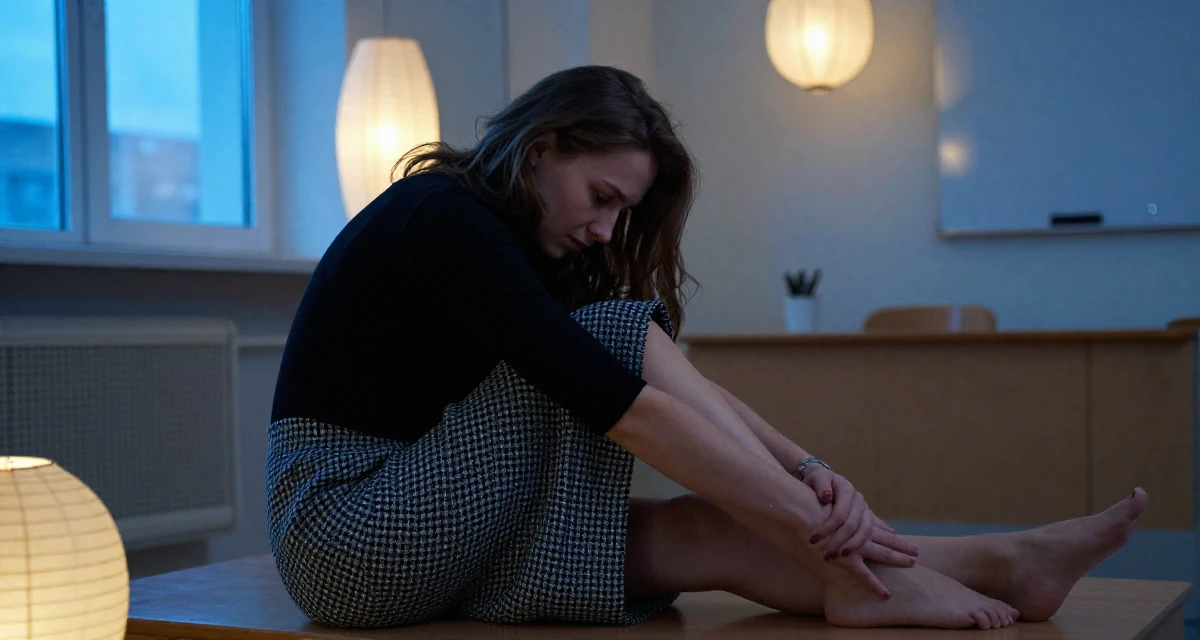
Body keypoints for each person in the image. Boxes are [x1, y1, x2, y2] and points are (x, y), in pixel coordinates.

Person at [265, 65, 1147, 631]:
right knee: (609, 333)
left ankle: (1007, 564)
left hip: (418, 525)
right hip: (347, 530)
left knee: (708, 532)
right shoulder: (444, 216)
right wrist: (818, 524)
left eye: (624, 213)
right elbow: (627, 407)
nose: (609, 231)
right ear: (540, 151)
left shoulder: (510, 246)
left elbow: (654, 399)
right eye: (601, 196)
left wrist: (807, 472)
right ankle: (868, 577)